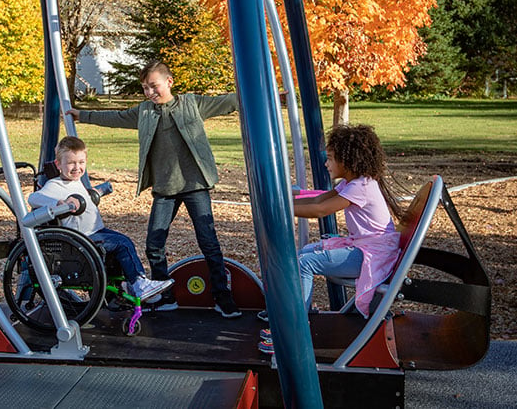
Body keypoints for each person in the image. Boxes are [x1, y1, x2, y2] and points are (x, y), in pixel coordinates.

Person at [66, 61, 241, 318]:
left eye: (154, 86)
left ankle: (222, 296)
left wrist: (268, 94)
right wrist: (82, 115)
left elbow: (230, 101)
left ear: (169, 82)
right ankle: (165, 295)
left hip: (195, 185)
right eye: (145, 88)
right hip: (165, 188)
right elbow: (115, 117)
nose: (149, 92)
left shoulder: (192, 104)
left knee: (209, 242)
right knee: (154, 244)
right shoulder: (145, 112)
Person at [258, 124, 404, 328]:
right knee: (303, 253)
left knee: (304, 264)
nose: (326, 163)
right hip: (367, 248)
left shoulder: (360, 187)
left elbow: (321, 210)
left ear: (348, 160)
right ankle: (290, 309)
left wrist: (278, 208)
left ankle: (295, 327)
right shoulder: (353, 182)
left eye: (331, 158)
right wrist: (283, 201)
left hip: (373, 255)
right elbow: (319, 200)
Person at [27, 136, 174, 302]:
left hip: (95, 232)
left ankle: (128, 286)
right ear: (58, 165)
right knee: (122, 244)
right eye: (71, 163)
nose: (77, 167)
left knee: (123, 243)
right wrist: (58, 203)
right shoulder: (55, 185)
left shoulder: (77, 181)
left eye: (81, 162)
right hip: (83, 238)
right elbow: (33, 198)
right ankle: (139, 284)